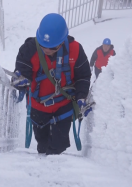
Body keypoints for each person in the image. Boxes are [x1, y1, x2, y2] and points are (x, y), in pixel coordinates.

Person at [11, 13, 92, 155]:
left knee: (58, 147)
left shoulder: (76, 50)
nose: (47, 50)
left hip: (63, 107)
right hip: (38, 107)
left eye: (53, 47)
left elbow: (83, 77)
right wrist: (20, 81)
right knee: (42, 145)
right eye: (43, 46)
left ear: (62, 41)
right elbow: (22, 70)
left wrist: (81, 97)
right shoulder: (29, 49)